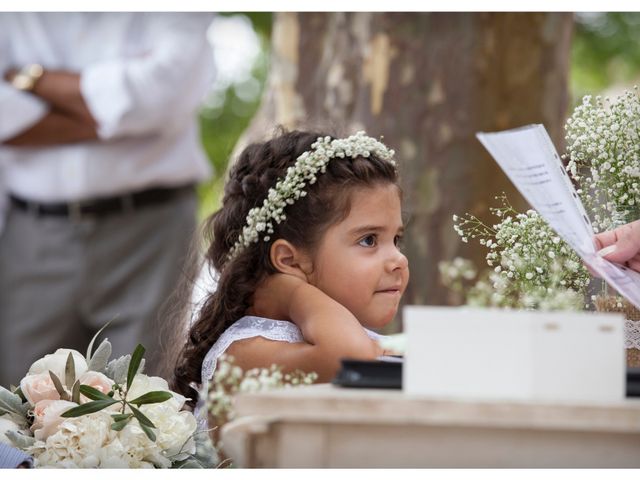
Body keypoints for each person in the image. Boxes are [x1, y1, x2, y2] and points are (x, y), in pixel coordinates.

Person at [0, 13, 214, 386]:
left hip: (151, 233)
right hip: (29, 233)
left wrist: (30, 80)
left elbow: (163, 94)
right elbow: (151, 107)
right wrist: (119, 115)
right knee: (18, 402)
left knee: (143, 398)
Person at [170, 130, 410, 428]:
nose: (399, 260)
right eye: (369, 240)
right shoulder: (245, 350)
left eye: (397, 239)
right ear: (288, 260)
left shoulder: (349, 336)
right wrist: (291, 292)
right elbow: (354, 360)